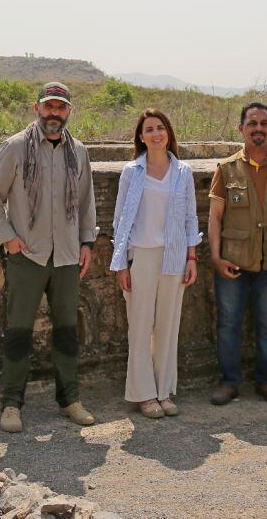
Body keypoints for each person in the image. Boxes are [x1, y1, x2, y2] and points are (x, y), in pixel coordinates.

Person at [0, 82, 97, 433]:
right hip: (27, 255)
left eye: (60, 107)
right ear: (37, 108)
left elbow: (86, 202)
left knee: (66, 331)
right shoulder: (16, 147)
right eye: (48, 106)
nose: (54, 113)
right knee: (18, 331)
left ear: (68, 112)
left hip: (65, 256)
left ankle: (70, 399)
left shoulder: (78, 151)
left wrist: (87, 243)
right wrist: (9, 239)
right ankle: (12, 404)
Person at [208, 102, 267, 406]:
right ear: (241, 129)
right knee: (228, 324)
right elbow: (215, 218)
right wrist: (216, 257)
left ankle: (266, 380)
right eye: (252, 123)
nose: (258, 128)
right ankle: (229, 381)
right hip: (233, 261)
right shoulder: (225, 169)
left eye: (264, 123)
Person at [110, 108, 201, 418]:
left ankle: (164, 391)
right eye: (149, 129)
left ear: (168, 133)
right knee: (139, 326)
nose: (156, 133)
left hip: (174, 255)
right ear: (141, 136)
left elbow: (191, 217)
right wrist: (121, 263)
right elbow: (120, 219)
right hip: (141, 255)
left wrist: (192, 256)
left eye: (160, 127)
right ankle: (144, 394)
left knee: (167, 326)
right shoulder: (131, 172)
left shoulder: (183, 172)